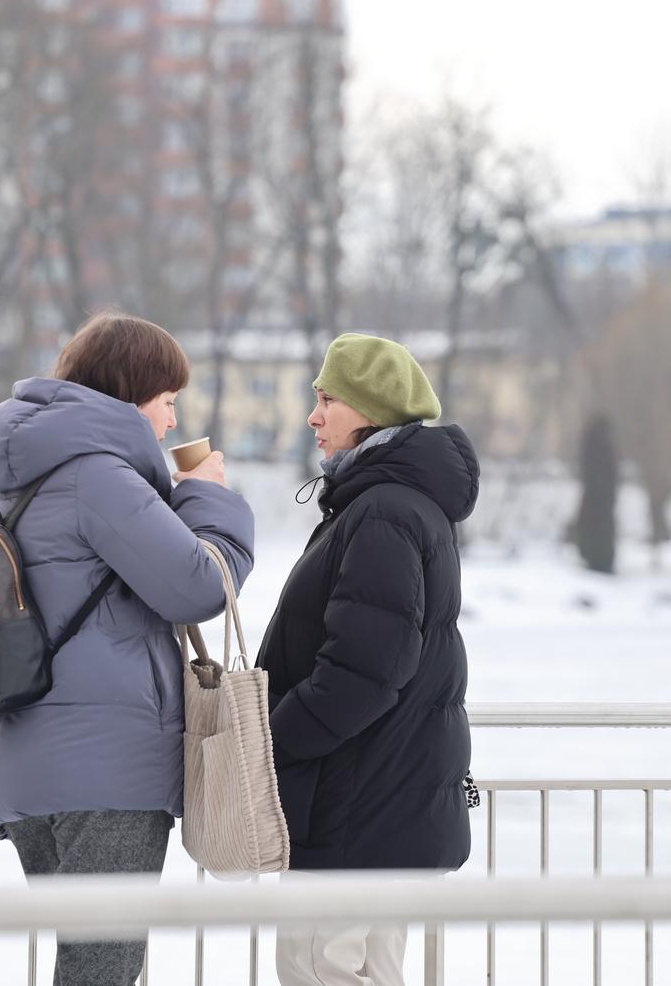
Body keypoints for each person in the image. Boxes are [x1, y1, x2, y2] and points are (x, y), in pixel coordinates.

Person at [0, 311, 254, 986]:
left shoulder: (8, 476)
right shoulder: (98, 475)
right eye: (167, 402)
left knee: (89, 961)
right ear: (132, 394)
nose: (172, 423)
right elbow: (197, 586)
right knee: (102, 971)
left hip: (24, 760)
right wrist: (210, 500)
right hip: (105, 769)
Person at [256, 333, 479, 986]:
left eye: (329, 399)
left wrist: (267, 742)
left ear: (372, 411)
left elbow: (365, 673)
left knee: (318, 971)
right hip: (382, 804)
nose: (313, 416)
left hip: (358, 807)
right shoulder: (390, 504)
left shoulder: (382, 511)